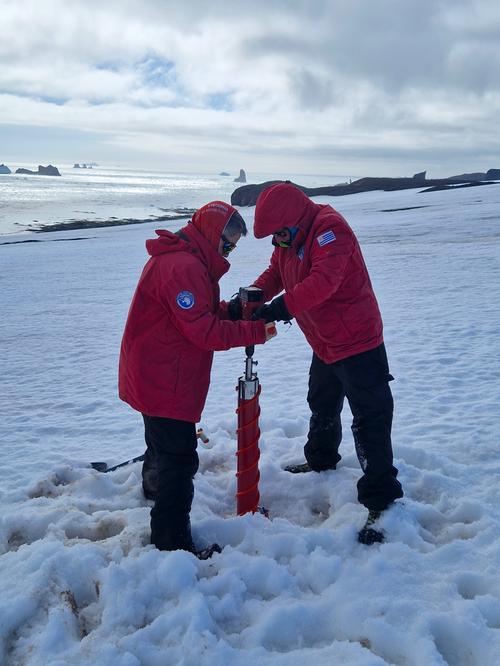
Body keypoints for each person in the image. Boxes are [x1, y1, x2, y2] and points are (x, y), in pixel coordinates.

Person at [246, 182, 403, 544]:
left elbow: (322, 283)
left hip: (358, 341)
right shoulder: (288, 241)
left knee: (370, 420)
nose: (277, 242)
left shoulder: (331, 230)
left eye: (280, 234)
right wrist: (253, 297)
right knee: (321, 402)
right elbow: (275, 274)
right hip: (325, 342)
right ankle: (320, 459)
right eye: (274, 237)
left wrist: (278, 309)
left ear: (296, 220)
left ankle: (382, 499)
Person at [119, 202, 276, 559]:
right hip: (163, 379)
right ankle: (172, 543)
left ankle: (153, 487)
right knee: (179, 460)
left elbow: (196, 314)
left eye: (233, 246)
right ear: (212, 232)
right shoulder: (183, 267)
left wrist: (230, 311)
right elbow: (203, 331)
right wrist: (254, 330)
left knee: (161, 444)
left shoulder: (190, 258)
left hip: (155, 373)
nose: (229, 250)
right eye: (227, 243)